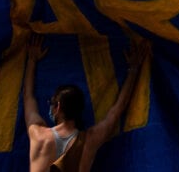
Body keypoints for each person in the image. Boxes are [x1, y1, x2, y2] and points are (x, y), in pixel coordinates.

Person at [22, 34, 150, 172]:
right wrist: (134, 68)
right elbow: (118, 108)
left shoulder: (38, 134)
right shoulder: (90, 140)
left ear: (57, 107)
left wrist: (32, 60)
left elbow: (28, 97)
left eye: (51, 103)